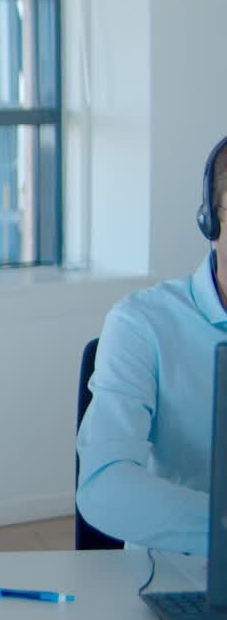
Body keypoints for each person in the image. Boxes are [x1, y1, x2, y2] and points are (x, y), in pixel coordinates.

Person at [76, 136, 227, 555]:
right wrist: (220, 527)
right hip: (181, 578)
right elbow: (103, 485)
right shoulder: (142, 324)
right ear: (210, 224)